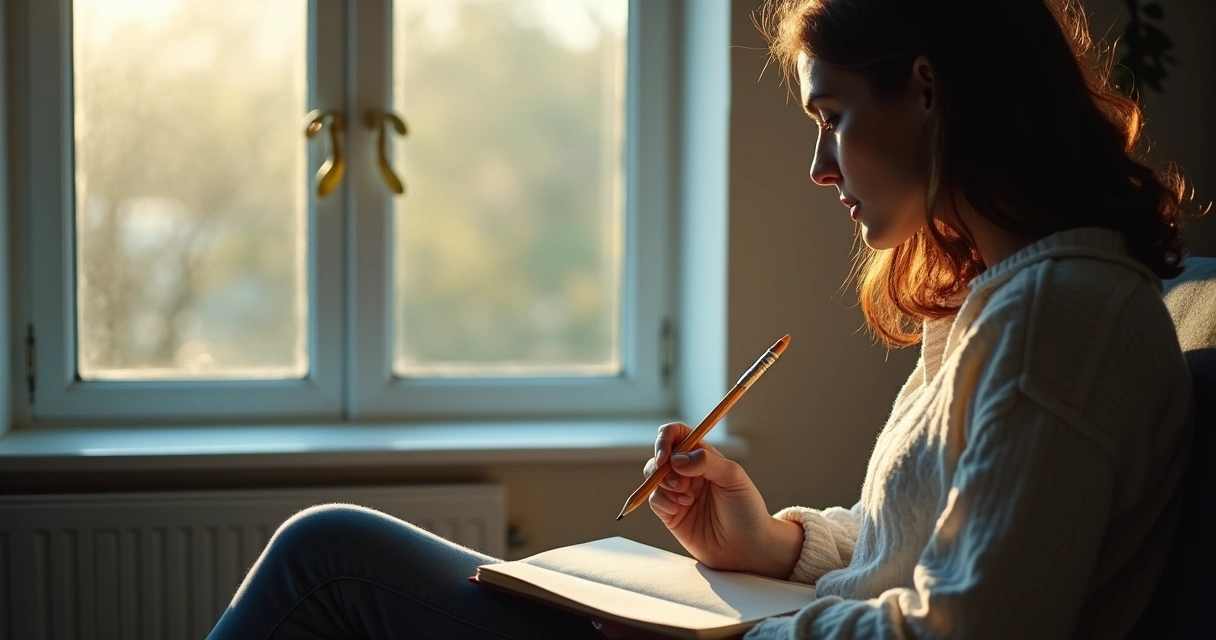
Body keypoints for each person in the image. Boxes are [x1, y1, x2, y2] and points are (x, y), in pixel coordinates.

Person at [207, 0, 1199, 638]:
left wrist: (716, 639)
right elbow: (920, 545)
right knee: (327, 552)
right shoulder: (1002, 299)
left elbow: (969, 629)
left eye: (833, 117)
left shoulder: (1054, 320)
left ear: (929, 90)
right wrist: (767, 543)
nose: (819, 168)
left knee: (324, 555)